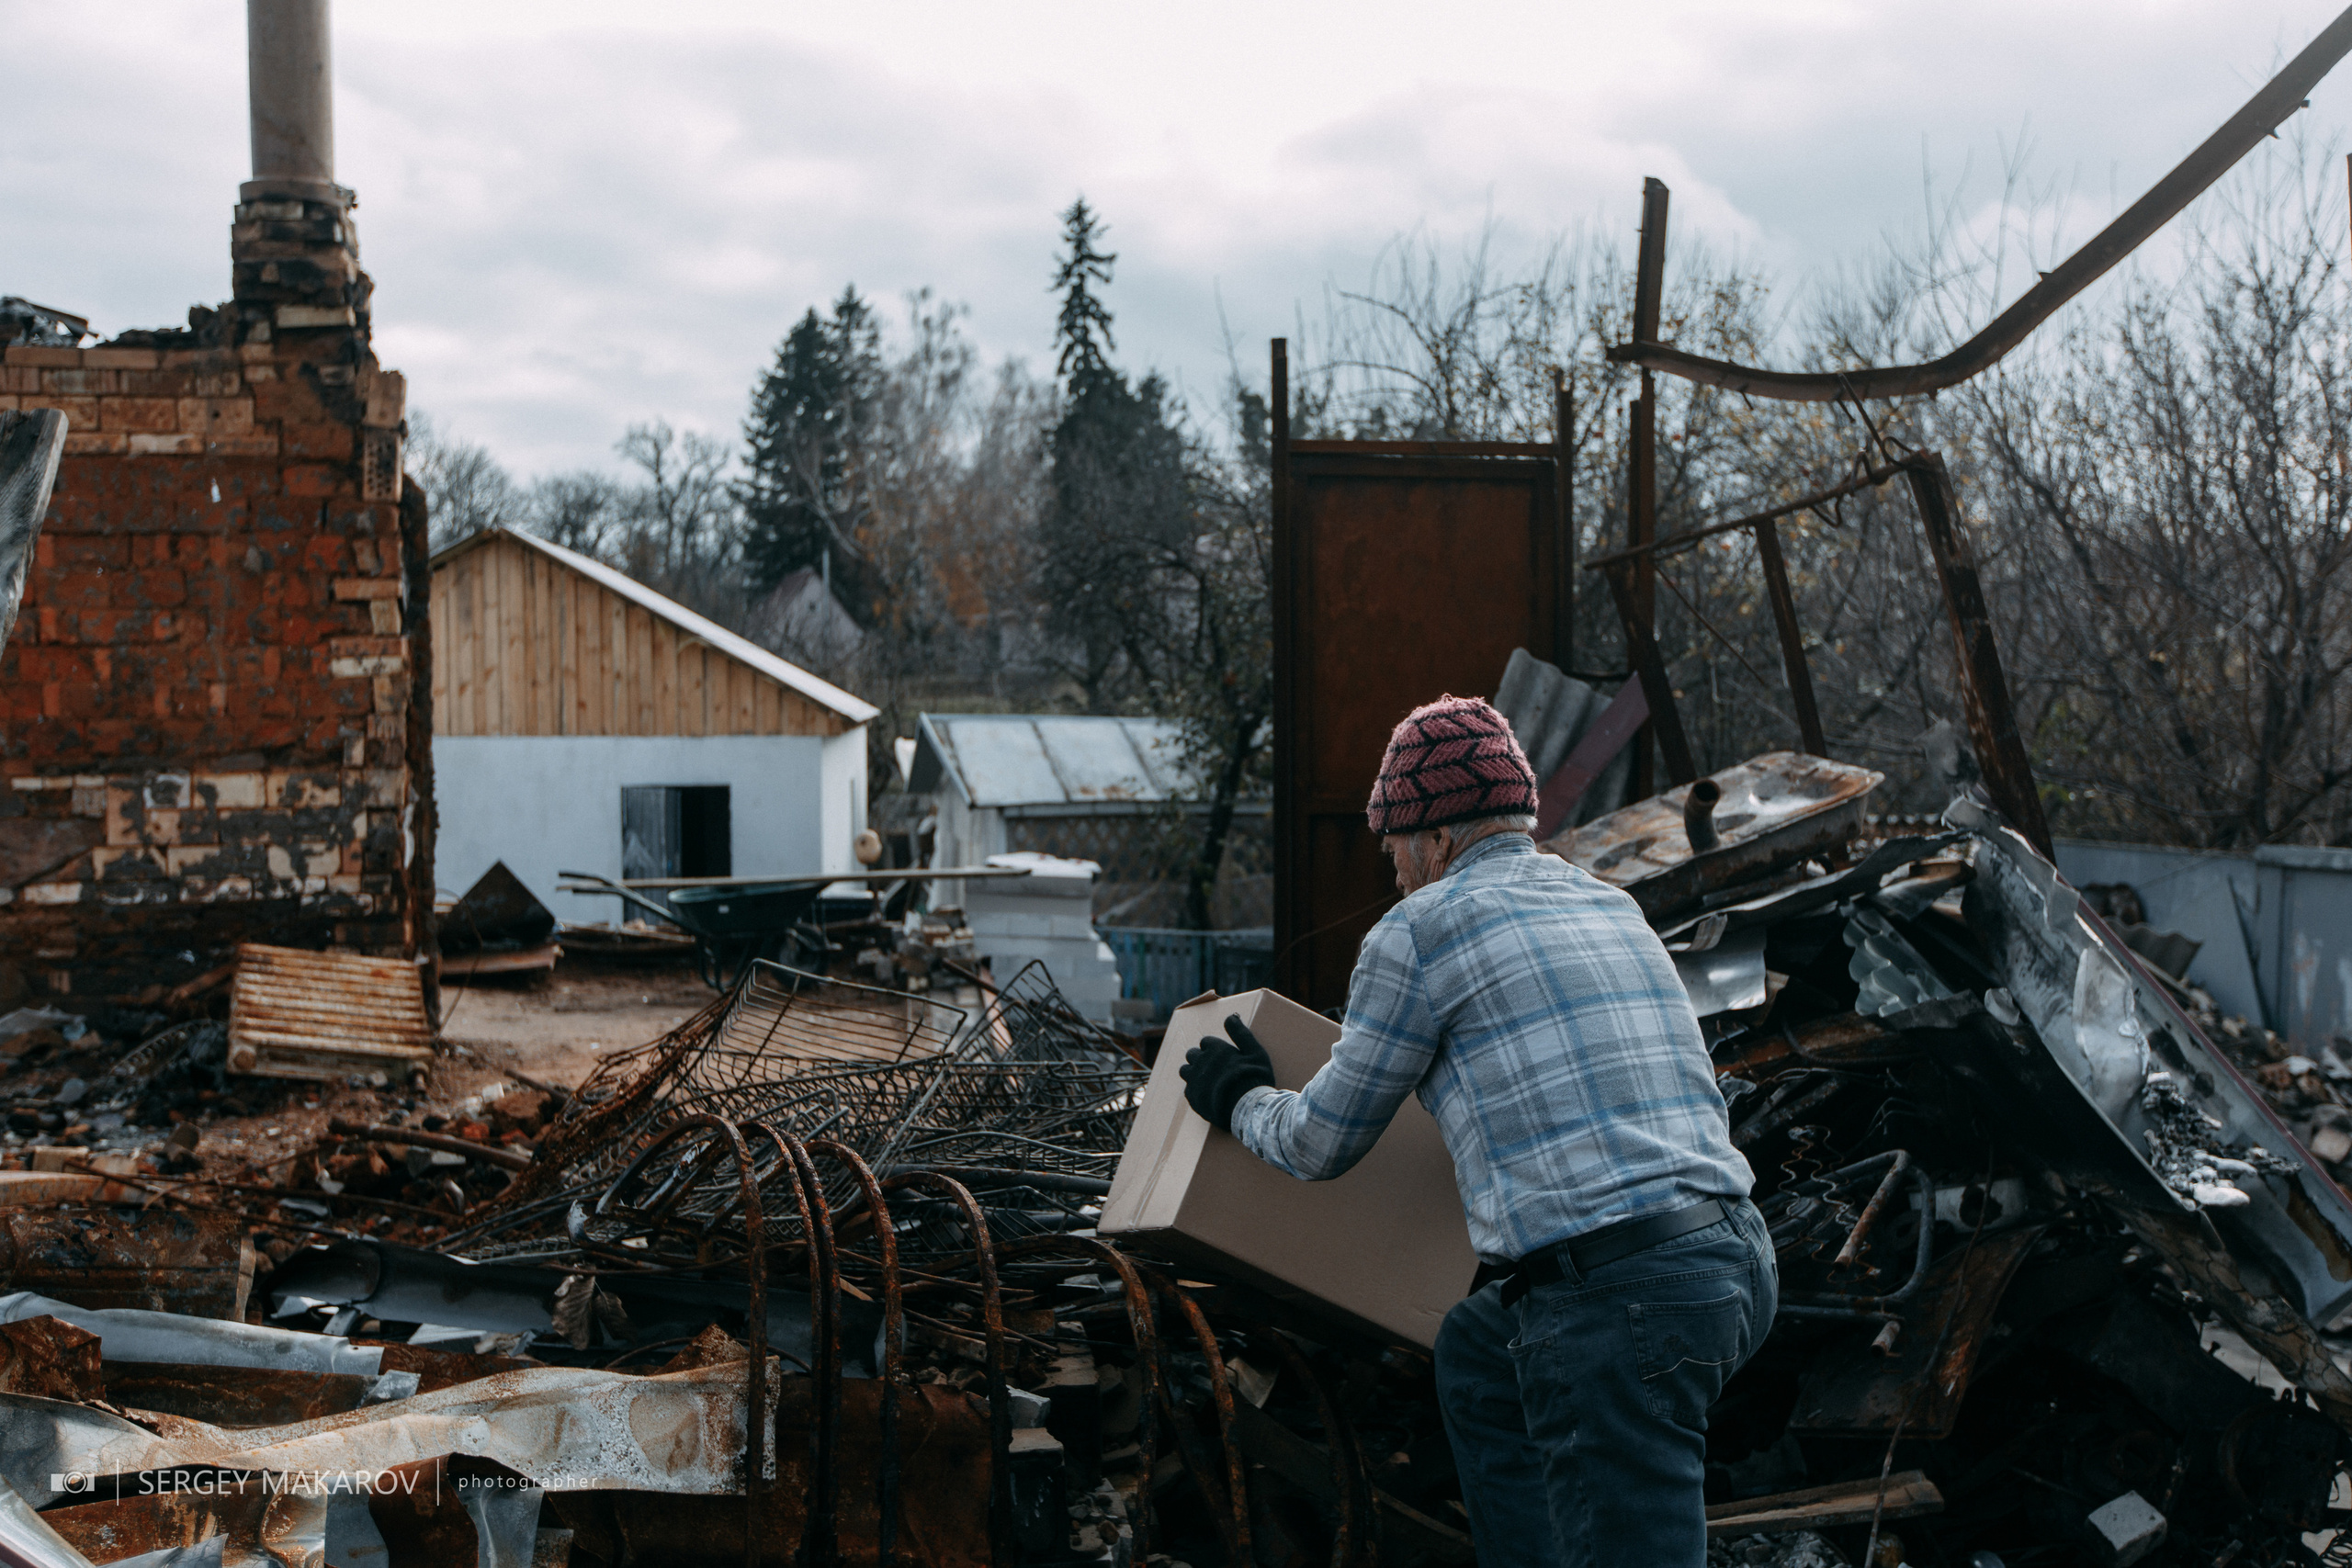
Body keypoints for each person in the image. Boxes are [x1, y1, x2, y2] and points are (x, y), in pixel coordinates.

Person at [1179, 694, 1773, 1568]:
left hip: (1618, 1307)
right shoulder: (1610, 905)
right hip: (1735, 1257)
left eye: (1394, 850)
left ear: (1439, 839)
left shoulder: (1417, 932)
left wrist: (1240, 1099)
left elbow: (1320, 1143)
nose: (1395, 872)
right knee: (1478, 1350)